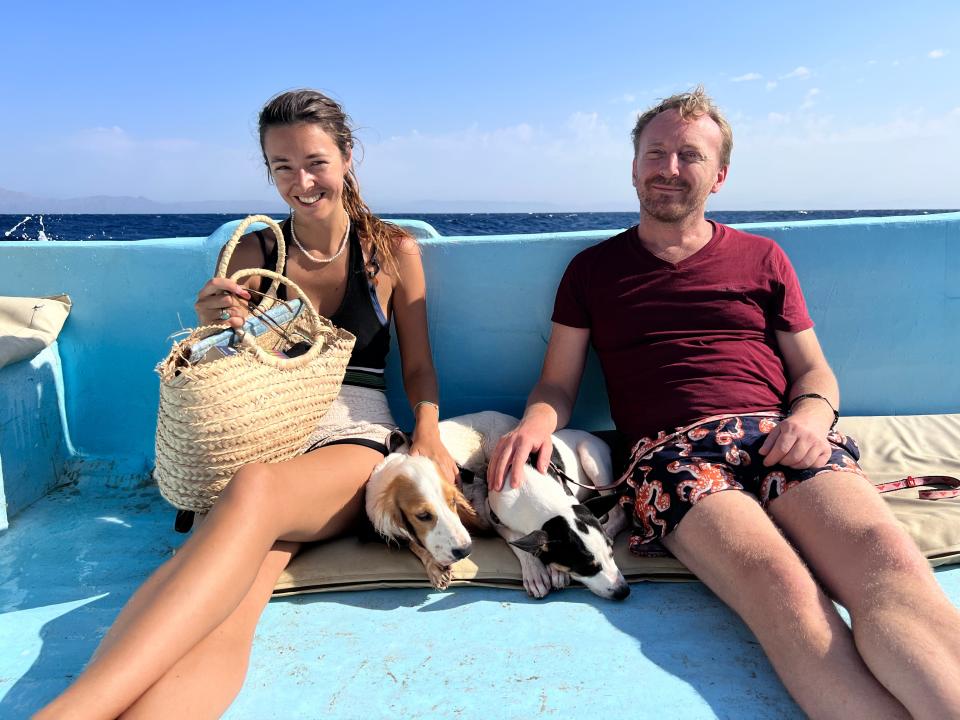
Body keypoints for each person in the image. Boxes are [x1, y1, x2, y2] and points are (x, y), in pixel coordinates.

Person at [489, 87, 960, 719]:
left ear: (720, 174)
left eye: (690, 154)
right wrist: (534, 424)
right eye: (656, 153)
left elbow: (813, 370)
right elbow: (557, 385)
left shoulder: (764, 258)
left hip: (777, 434)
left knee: (889, 563)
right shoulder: (592, 271)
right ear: (634, 167)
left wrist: (811, 418)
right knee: (780, 585)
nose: (670, 168)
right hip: (671, 455)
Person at [37, 89, 457, 719]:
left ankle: (69, 713)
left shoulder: (392, 251)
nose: (301, 181)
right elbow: (230, 359)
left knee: (254, 491)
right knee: (237, 600)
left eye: (315, 161)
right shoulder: (259, 250)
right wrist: (214, 322)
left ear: (347, 156)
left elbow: (418, 366)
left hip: (352, 430)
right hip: (265, 426)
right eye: (281, 167)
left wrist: (427, 438)